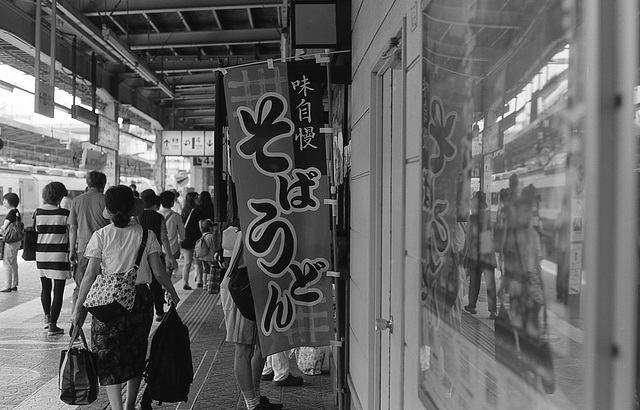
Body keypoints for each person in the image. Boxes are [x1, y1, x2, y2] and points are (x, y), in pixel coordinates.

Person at [71, 185, 180, 410]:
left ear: (109, 210)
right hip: (139, 300)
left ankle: (117, 407)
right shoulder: (146, 234)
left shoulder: (100, 236)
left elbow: (90, 274)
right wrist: (172, 291)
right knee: (136, 351)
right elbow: (158, 272)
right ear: (132, 208)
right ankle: (131, 405)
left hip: (106, 301)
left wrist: (78, 307)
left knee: (109, 354)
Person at [219, 224, 283, 410]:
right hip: (240, 291)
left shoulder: (256, 226)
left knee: (263, 345)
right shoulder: (241, 231)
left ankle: (255, 395)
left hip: (256, 290)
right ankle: (252, 403)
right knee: (244, 349)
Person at [68, 171, 109, 317]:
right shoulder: (106, 200)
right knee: (105, 285)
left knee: (81, 285)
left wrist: (72, 250)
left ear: (87, 183)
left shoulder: (77, 201)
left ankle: (76, 320)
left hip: (84, 249)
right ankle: (101, 319)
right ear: (104, 184)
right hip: (105, 250)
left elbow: (73, 228)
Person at [34, 182, 72, 335]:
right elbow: (69, 234)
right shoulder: (65, 214)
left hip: (41, 254)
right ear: (60, 196)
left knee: (45, 287)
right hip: (59, 254)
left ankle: (46, 318)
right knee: (58, 291)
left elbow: (38, 230)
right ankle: (53, 325)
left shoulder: (38, 212)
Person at [140, 189, 177, 321]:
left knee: (140, 282)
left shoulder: (136, 217)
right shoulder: (159, 217)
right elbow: (164, 238)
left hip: (139, 256)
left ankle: (142, 310)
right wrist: (170, 256)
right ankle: (159, 312)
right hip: (155, 253)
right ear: (155, 203)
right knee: (156, 282)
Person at [463, 191, 497, 319]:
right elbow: (491, 235)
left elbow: (469, 238)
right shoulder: (488, 217)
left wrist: (465, 255)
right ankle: (493, 311)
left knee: (474, 281)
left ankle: (472, 305)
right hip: (487, 254)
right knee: (490, 283)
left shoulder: (472, 218)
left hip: (475, 254)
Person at [158, 191, 185, 277]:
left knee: (159, 273)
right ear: (172, 202)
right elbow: (182, 235)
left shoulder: (157, 214)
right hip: (172, 248)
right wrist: (181, 239)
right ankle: (167, 289)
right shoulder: (176, 216)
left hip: (157, 248)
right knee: (168, 274)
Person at [180, 191, 204, 290]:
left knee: (187, 262)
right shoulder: (198, 211)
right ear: (192, 200)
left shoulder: (184, 211)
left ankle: (185, 283)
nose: (199, 199)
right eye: (197, 198)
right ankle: (199, 281)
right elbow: (200, 226)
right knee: (198, 262)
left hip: (185, 240)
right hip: (196, 240)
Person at [1, 193, 21, 292]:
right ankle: (14, 284)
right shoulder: (17, 212)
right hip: (17, 241)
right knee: (13, 262)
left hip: (10, 241)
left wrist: (1, 229)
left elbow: (4, 227)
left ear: (10, 202)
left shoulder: (11, 213)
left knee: (7, 262)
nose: (3, 202)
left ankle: (7, 285)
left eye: (5, 201)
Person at [196, 219, 216, 289]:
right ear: (210, 228)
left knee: (205, 270)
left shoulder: (203, 235)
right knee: (211, 270)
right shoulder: (211, 236)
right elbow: (213, 247)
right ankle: (210, 284)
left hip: (202, 256)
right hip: (209, 256)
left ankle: (204, 284)